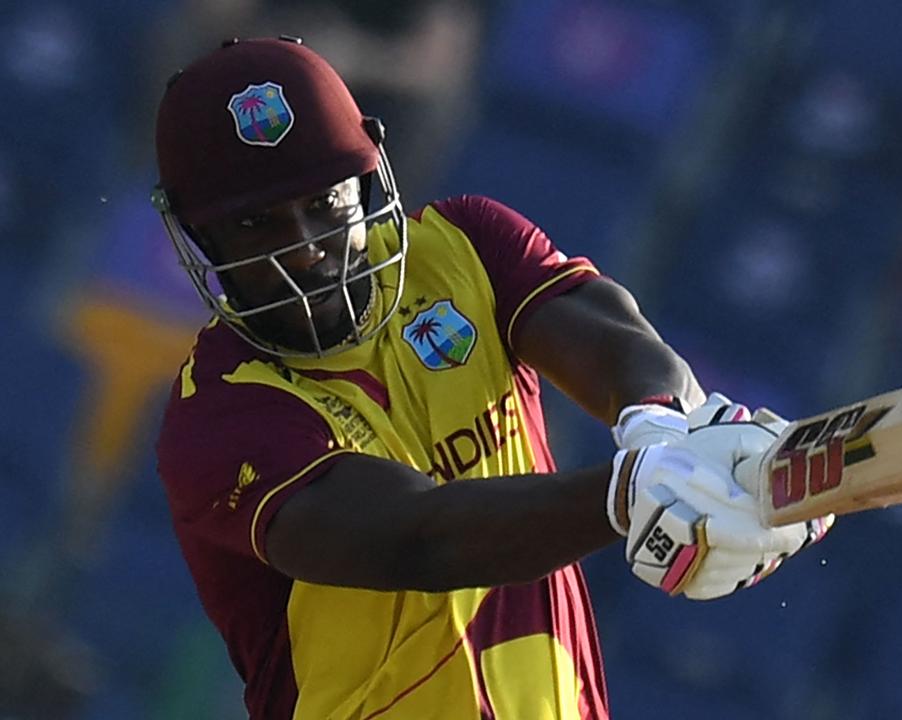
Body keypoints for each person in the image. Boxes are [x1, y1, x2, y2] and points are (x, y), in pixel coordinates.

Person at [151, 36, 830, 720]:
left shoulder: (464, 246)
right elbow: (419, 540)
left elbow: (614, 339)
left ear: (364, 183)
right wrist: (634, 490)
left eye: (322, 203)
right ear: (203, 242)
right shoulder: (218, 416)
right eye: (254, 224)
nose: (305, 250)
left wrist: (666, 425)